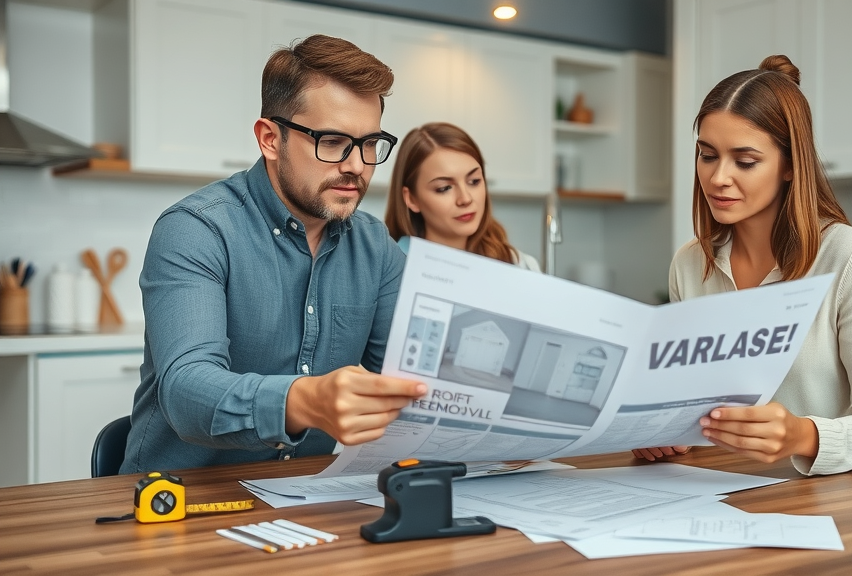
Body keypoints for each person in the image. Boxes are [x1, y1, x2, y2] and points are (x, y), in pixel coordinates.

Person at [121, 35, 427, 474]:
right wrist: (305, 401)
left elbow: (415, 380)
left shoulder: (374, 246)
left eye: (369, 144)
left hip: (306, 500)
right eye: (334, 140)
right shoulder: (197, 230)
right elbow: (186, 390)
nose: (357, 165)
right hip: (176, 500)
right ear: (270, 138)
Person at [633, 55, 852, 476]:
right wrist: (659, 430)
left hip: (833, 501)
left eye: (745, 161)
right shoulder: (690, 264)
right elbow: (691, 406)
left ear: (791, 165)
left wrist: (802, 435)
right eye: (707, 155)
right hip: (714, 491)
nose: (718, 177)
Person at [383, 122, 541, 271]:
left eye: (474, 181)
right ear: (411, 198)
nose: (465, 199)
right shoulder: (391, 270)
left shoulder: (519, 264)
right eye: (444, 188)